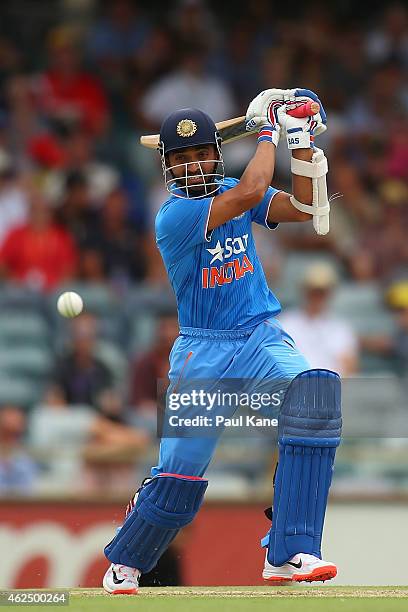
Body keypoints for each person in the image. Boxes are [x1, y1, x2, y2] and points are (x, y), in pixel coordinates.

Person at [102, 88, 342, 594]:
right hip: (203, 351)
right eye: (180, 158)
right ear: (166, 167)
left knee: (316, 396)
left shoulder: (232, 185)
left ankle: (290, 551)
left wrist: (299, 143)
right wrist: (266, 129)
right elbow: (253, 191)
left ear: (215, 153)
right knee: (180, 480)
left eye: (199, 154)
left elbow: (300, 208)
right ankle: (126, 560)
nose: (192, 165)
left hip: (258, 337)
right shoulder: (175, 217)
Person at [280, 262, 359, 375]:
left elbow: (349, 368)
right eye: (313, 291)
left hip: (332, 388)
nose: (317, 297)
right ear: (304, 291)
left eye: (322, 292)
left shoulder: (341, 327)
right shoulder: (286, 323)